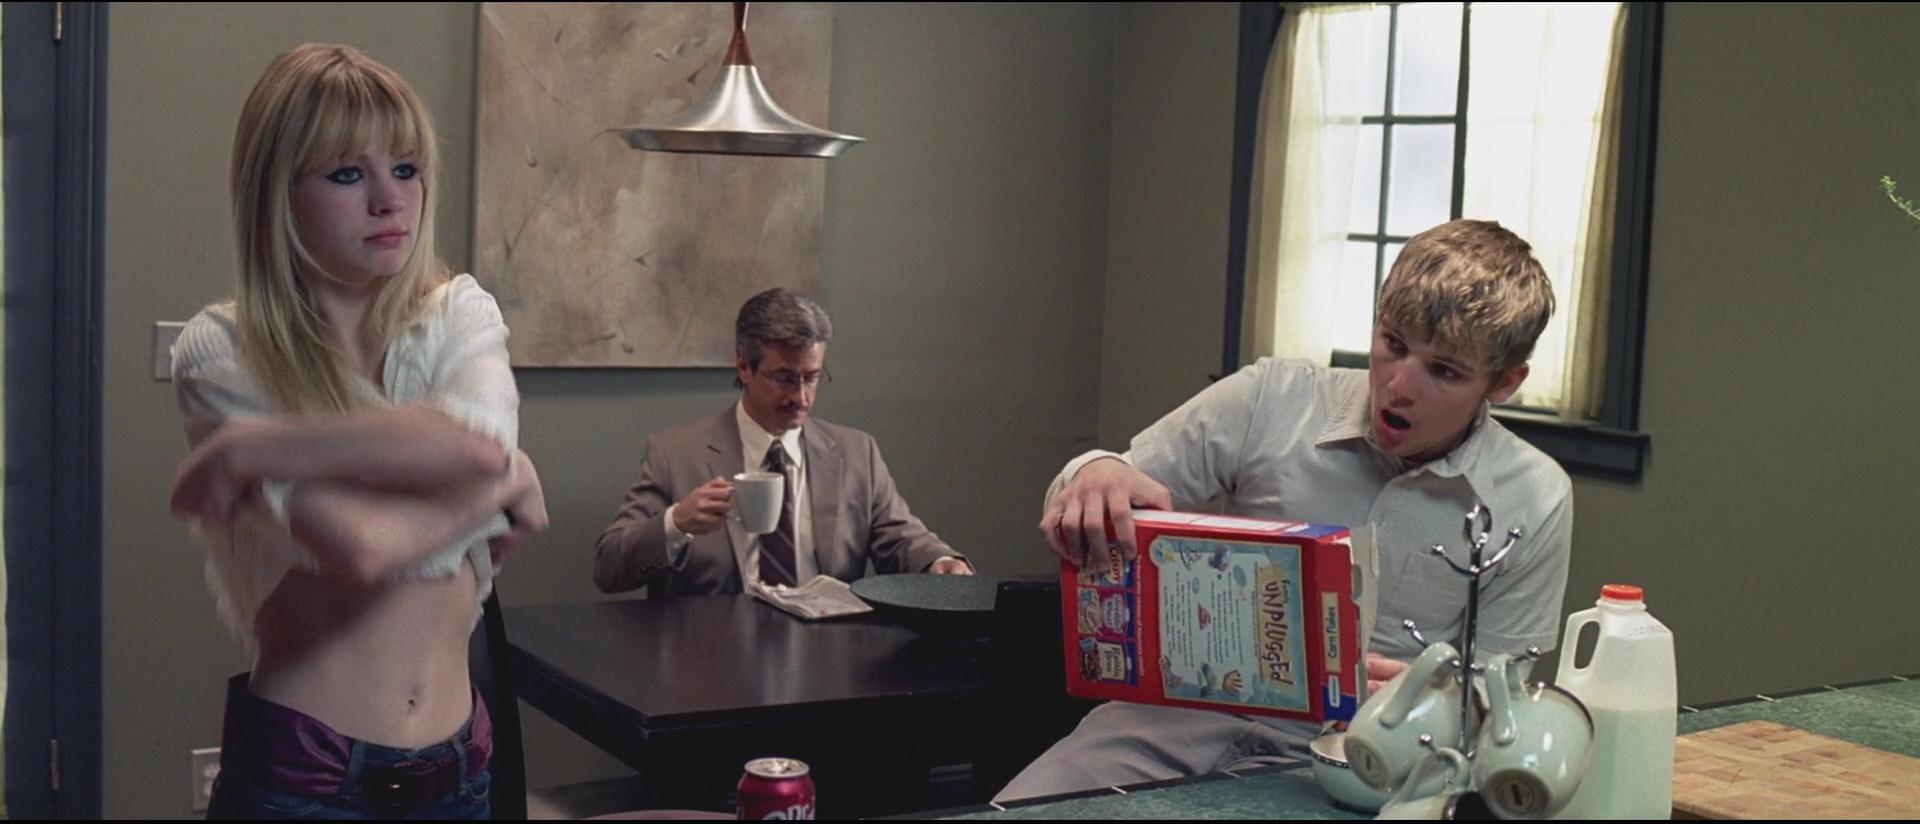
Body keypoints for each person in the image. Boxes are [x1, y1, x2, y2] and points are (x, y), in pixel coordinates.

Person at [998, 219, 1574, 801]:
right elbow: (1102, 486)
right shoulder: (1272, 397)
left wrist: (1444, 704)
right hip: (1173, 723)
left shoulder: (1534, 496)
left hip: (1369, 761)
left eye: (1444, 371)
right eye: (1393, 344)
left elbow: (1499, 700)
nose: (1400, 386)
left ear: (1504, 383)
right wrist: (1092, 472)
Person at [168, 43, 549, 820]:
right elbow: (363, 548)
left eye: (406, 169)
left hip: (461, 773)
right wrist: (506, 478)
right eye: (347, 174)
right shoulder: (222, 351)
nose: (389, 200)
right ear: (277, 193)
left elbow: (476, 441)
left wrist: (262, 447)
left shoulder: (461, 313)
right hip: (303, 783)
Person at [594, 288, 971, 597]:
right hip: (711, 651)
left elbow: (902, 538)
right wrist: (676, 523)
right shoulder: (675, 454)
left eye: (812, 377)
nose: (801, 397)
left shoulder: (857, 453)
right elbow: (609, 569)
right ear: (744, 367)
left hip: (829, 648)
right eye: (785, 378)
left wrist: (939, 562)